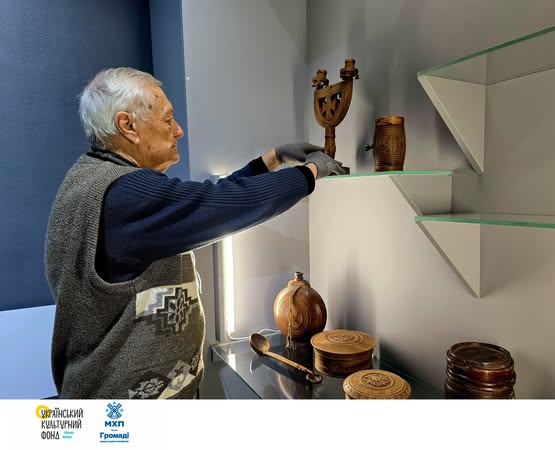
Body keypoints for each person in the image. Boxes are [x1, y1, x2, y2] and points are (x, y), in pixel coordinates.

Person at [44, 67, 344, 399]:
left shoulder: (95, 179)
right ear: (127, 126)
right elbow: (221, 205)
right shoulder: (123, 194)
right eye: (167, 119)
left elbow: (203, 200)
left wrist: (272, 159)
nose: (178, 130)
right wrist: (310, 173)